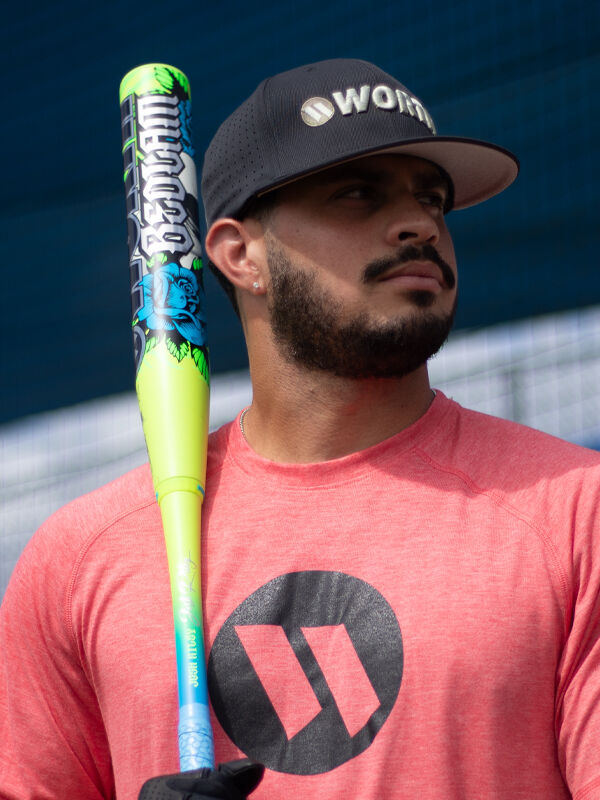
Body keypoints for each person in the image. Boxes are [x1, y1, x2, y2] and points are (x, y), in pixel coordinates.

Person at [1, 58, 599, 800]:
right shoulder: (80, 560)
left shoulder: (574, 512)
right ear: (239, 255)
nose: (420, 225)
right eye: (358, 194)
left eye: (432, 200)